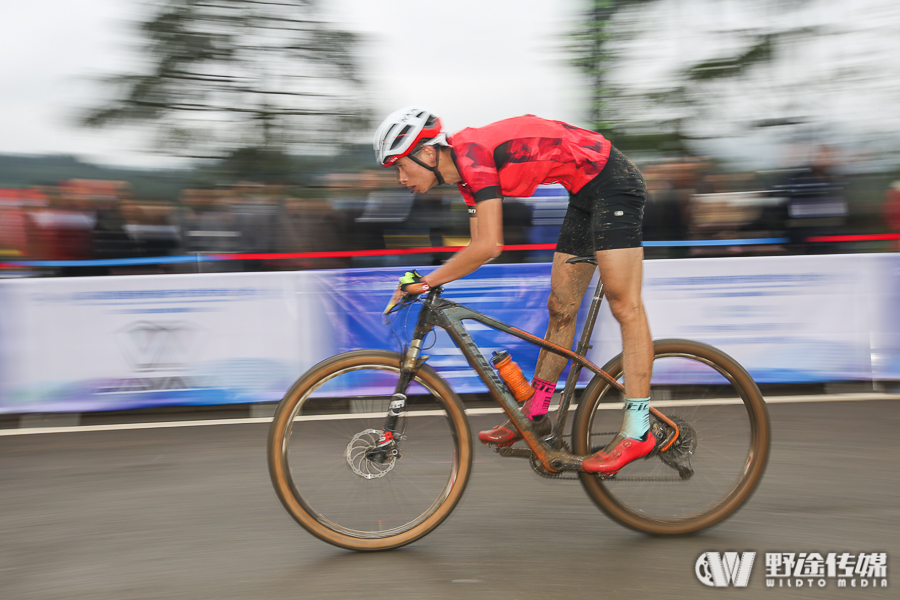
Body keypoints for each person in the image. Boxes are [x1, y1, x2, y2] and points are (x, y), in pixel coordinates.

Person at [375, 107, 655, 475]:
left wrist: (427, 281)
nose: (400, 178)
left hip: (614, 182)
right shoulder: (464, 176)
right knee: (561, 307)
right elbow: (478, 246)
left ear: (427, 153)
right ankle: (537, 414)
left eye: (400, 165)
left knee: (625, 306)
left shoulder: (474, 156)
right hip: (584, 193)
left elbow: (490, 246)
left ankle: (639, 429)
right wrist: (430, 279)